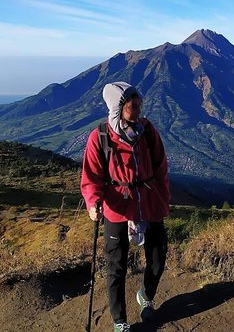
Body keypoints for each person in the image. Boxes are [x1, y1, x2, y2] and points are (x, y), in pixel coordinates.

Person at [81, 81, 170, 332]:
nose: (138, 109)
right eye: (132, 105)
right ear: (118, 108)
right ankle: (120, 321)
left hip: (149, 203)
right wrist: (93, 201)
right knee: (116, 267)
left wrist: (163, 201)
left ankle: (145, 294)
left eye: (138, 103)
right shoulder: (100, 137)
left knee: (157, 260)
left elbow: (161, 168)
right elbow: (91, 175)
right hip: (117, 208)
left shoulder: (148, 132)